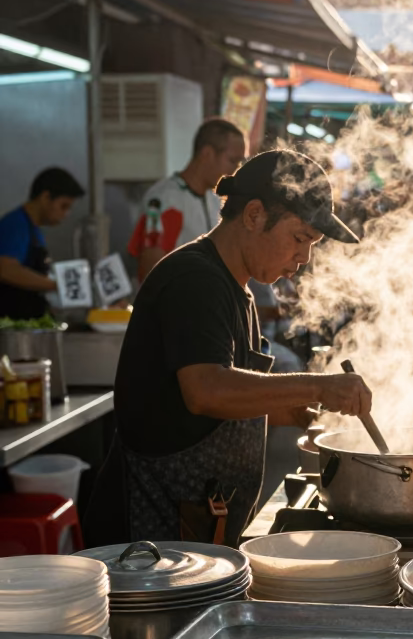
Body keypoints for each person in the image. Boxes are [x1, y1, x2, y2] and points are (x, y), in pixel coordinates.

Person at [84, 149, 371, 547]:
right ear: (254, 215)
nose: (303, 258)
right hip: (146, 544)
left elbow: (222, 407)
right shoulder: (194, 279)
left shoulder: (238, 291)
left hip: (194, 532)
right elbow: (207, 391)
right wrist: (319, 387)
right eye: (300, 238)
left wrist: (304, 416)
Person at [127, 117, 247, 282]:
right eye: (232, 161)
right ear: (207, 154)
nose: (236, 170)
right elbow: (151, 268)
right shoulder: (165, 200)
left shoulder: (215, 200)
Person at [0, 167, 85, 319]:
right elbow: (6, 269)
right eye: (63, 206)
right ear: (45, 197)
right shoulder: (15, 225)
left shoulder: (34, 230)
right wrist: (57, 285)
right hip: (11, 323)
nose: (66, 214)